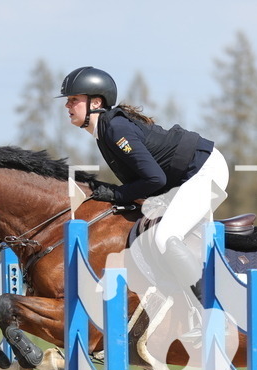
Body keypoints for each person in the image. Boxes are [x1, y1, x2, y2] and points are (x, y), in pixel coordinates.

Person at [59, 66, 229, 295]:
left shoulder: (115, 129)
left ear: (96, 102)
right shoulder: (105, 131)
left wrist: (117, 194)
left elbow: (155, 179)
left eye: (73, 99)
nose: (67, 106)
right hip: (183, 177)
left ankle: (206, 307)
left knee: (165, 237)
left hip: (203, 170)